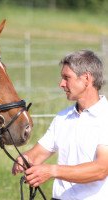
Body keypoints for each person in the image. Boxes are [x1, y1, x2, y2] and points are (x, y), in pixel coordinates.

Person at [12, 50, 108, 200]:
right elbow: (39, 153)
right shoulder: (62, 117)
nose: (61, 84)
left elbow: (101, 169)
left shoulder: (105, 118)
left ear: (87, 79)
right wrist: (24, 159)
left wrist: (52, 171)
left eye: (66, 78)